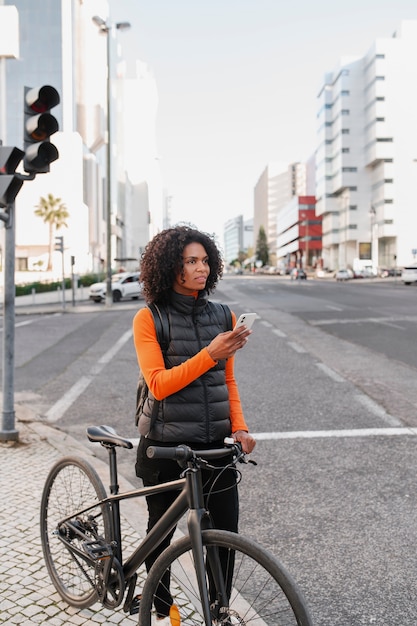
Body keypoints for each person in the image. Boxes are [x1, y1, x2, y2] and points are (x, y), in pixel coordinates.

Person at [133, 225, 256, 623]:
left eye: (205, 260)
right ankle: (162, 605)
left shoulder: (223, 315)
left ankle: (218, 613)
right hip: (166, 447)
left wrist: (240, 427)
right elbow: (158, 385)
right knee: (160, 536)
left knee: (224, 541)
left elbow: (228, 379)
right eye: (191, 261)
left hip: (216, 446)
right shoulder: (149, 318)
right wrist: (209, 352)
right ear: (172, 267)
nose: (201, 268)